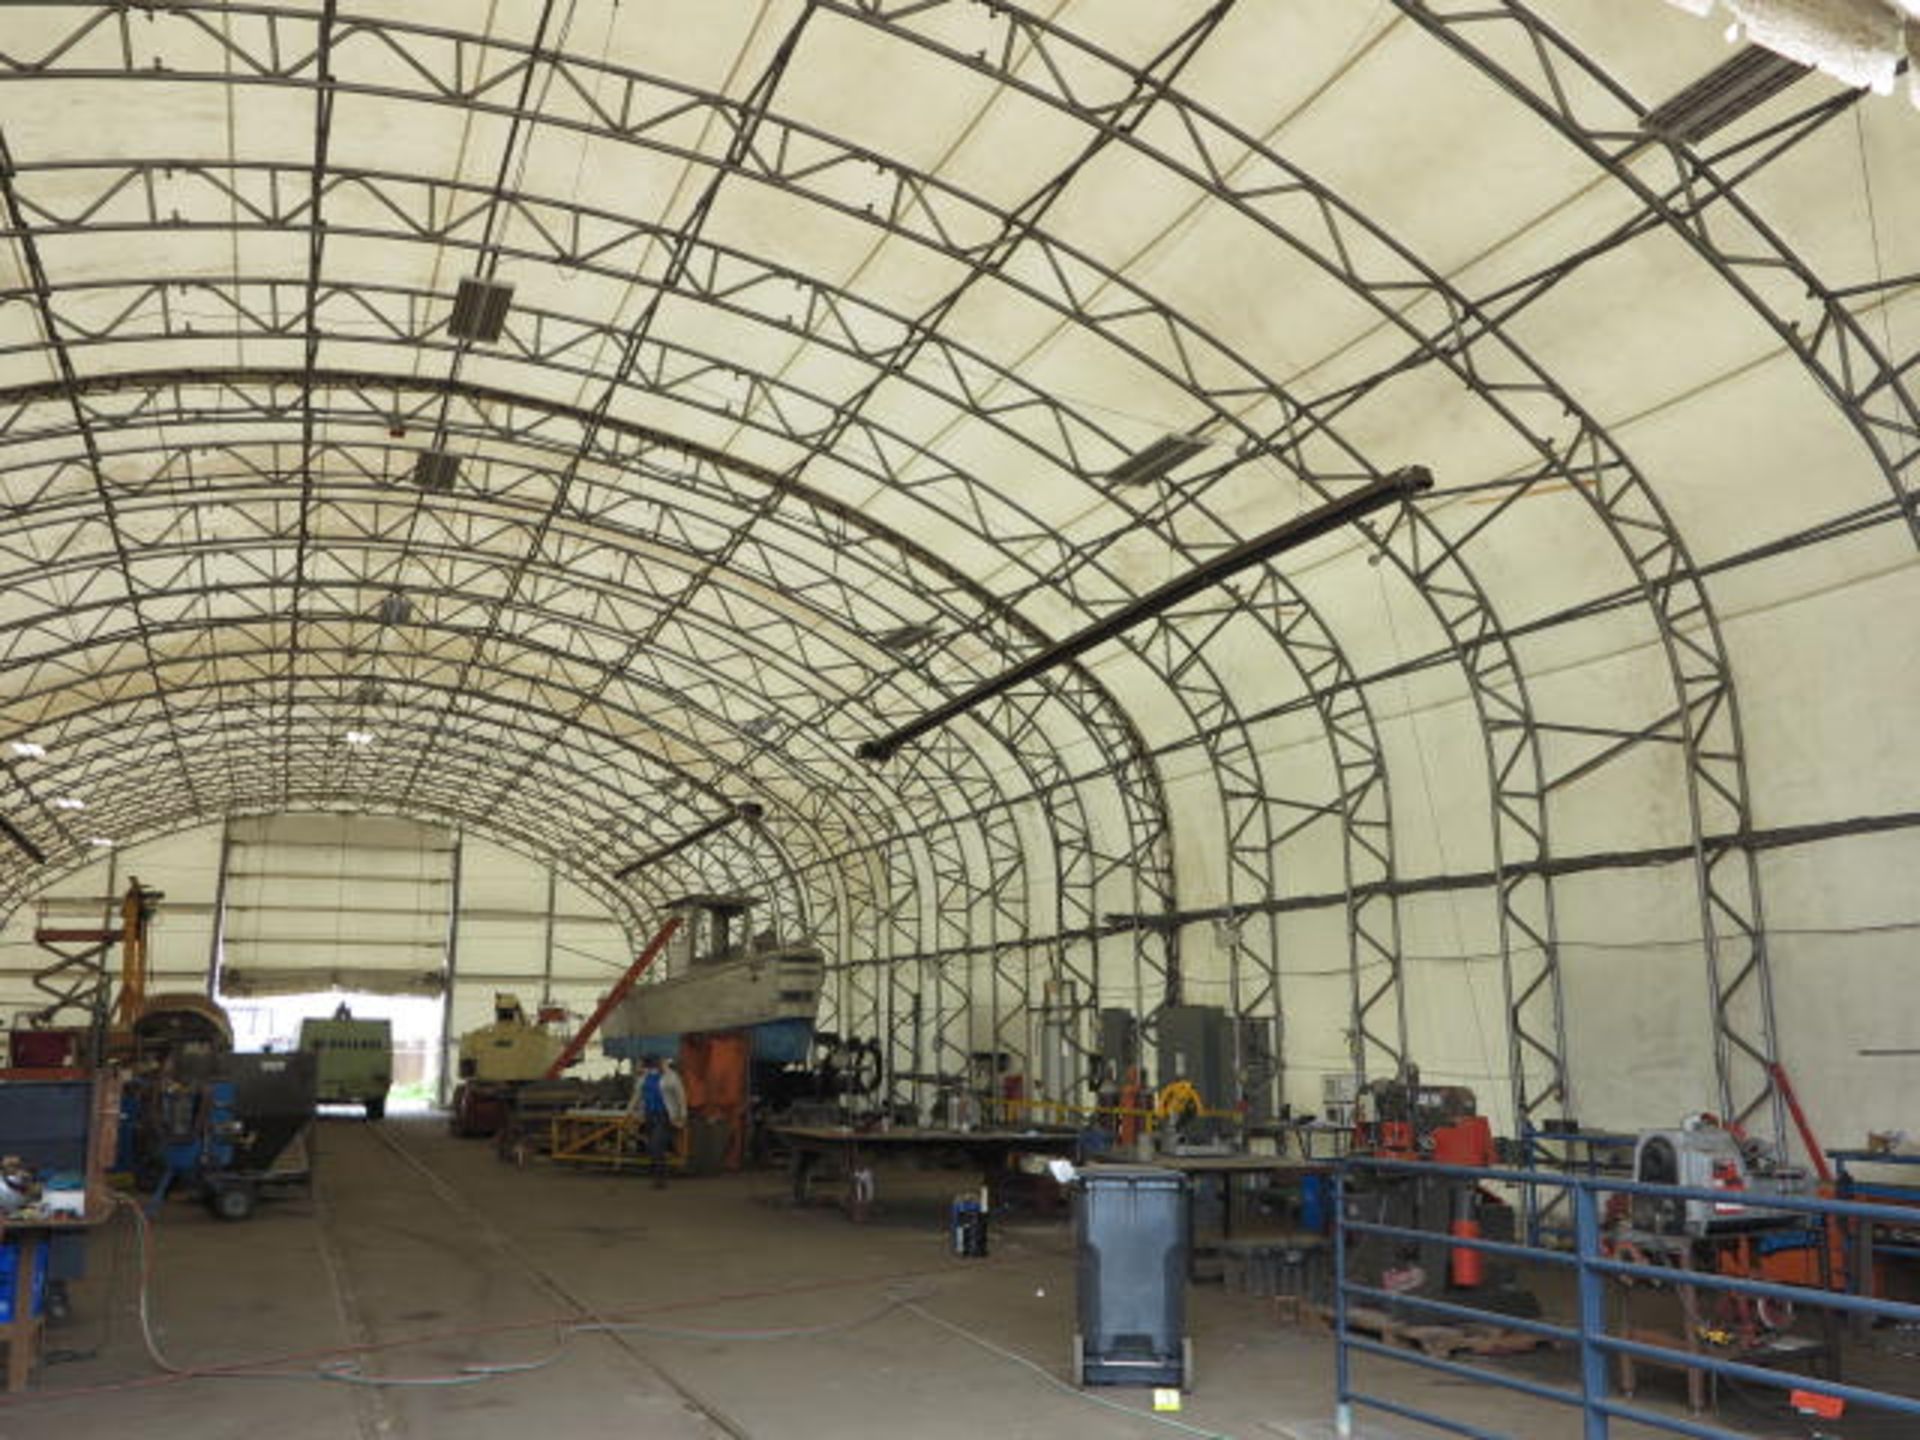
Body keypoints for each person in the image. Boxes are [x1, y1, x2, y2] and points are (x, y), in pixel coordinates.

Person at [635, 1055, 686, 1188]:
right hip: (649, 1115)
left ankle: (660, 1178)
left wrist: (682, 1115)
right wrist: (634, 1113)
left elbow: (680, 1096)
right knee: (652, 1146)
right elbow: (639, 1097)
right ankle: (656, 1174)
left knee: (656, 1145)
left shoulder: (671, 1077)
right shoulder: (644, 1078)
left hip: (664, 1116)